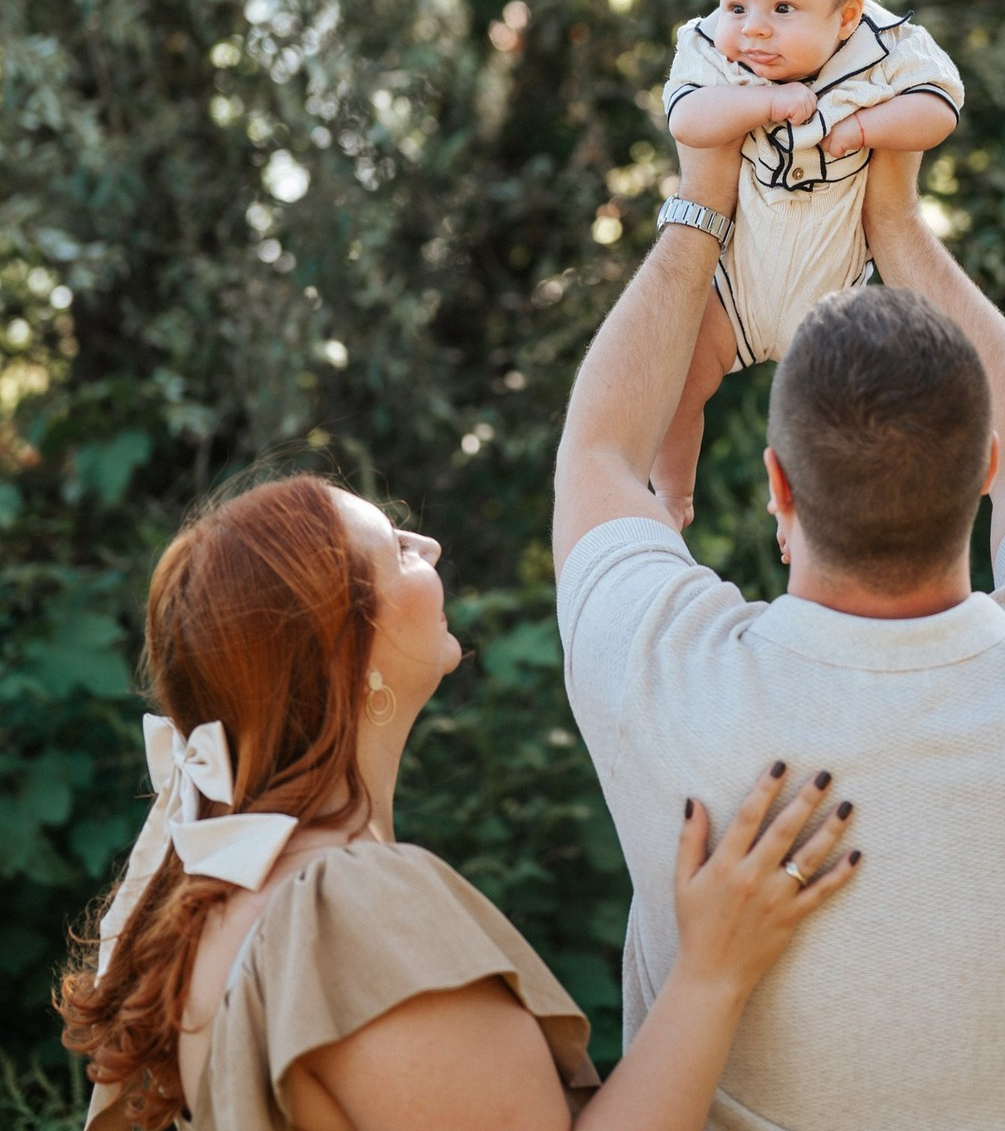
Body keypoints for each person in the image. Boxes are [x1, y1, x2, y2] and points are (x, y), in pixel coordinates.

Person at [553, 138, 1005, 1128]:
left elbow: (598, 450)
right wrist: (898, 223)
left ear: (777, 487)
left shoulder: (666, 683)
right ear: (980, 470)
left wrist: (700, 198)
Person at [57, 474, 862, 1131]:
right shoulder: (345, 909)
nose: (430, 547)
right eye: (398, 551)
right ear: (348, 647)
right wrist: (712, 972)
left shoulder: (211, 895)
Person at [651, 0, 964, 530]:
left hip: (830, 292)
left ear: (846, 17)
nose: (753, 27)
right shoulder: (713, 46)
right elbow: (687, 119)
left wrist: (863, 129)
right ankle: (672, 498)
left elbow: (941, 109)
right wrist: (762, 105)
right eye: (735, 3)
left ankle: (800, 519)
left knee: (834, 413)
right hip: (734, 284)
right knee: (675, 376)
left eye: (783, 8)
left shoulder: (885, 46)